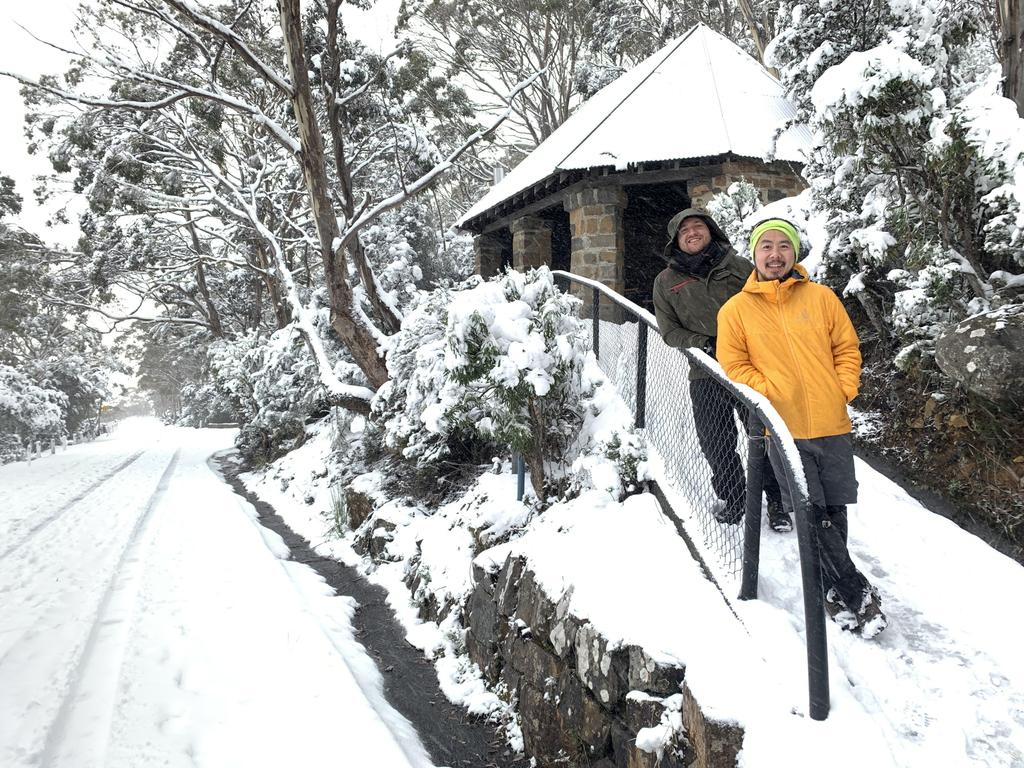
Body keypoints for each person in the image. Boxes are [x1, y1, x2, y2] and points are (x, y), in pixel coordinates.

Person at [716, 218, 887, 638]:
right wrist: (772, 393)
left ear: (794, 253)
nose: (775, 255)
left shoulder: (823, 298)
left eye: (783, 247)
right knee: (809, 511)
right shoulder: (736, 310)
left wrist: (842, 388)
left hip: (831, 422)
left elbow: (846, 348)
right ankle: (855, 591)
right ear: (754, 255)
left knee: (834, 508)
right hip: (784, 429)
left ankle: (831, 590)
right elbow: (734, 365)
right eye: (766, 247)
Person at [652, 208, 791, 533]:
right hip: (705, 372)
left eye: (698, 226)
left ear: (710, 230)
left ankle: (778, 503)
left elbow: (770, 306)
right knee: (715, 442)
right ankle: (735, 499)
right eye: (684, 230)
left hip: (750, 368)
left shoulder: (741, 267)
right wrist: (705, 343)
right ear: (676, 240)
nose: (692, 233)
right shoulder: (666, 282)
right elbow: (670, 332)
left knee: (764, 438)